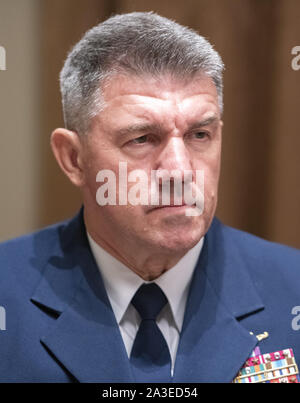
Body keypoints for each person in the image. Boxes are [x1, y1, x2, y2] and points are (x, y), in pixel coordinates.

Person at [0, 12, 299, 384]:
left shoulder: (293, 287)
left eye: (199, 135)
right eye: (141, 138)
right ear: (73, 158)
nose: (180, 171)